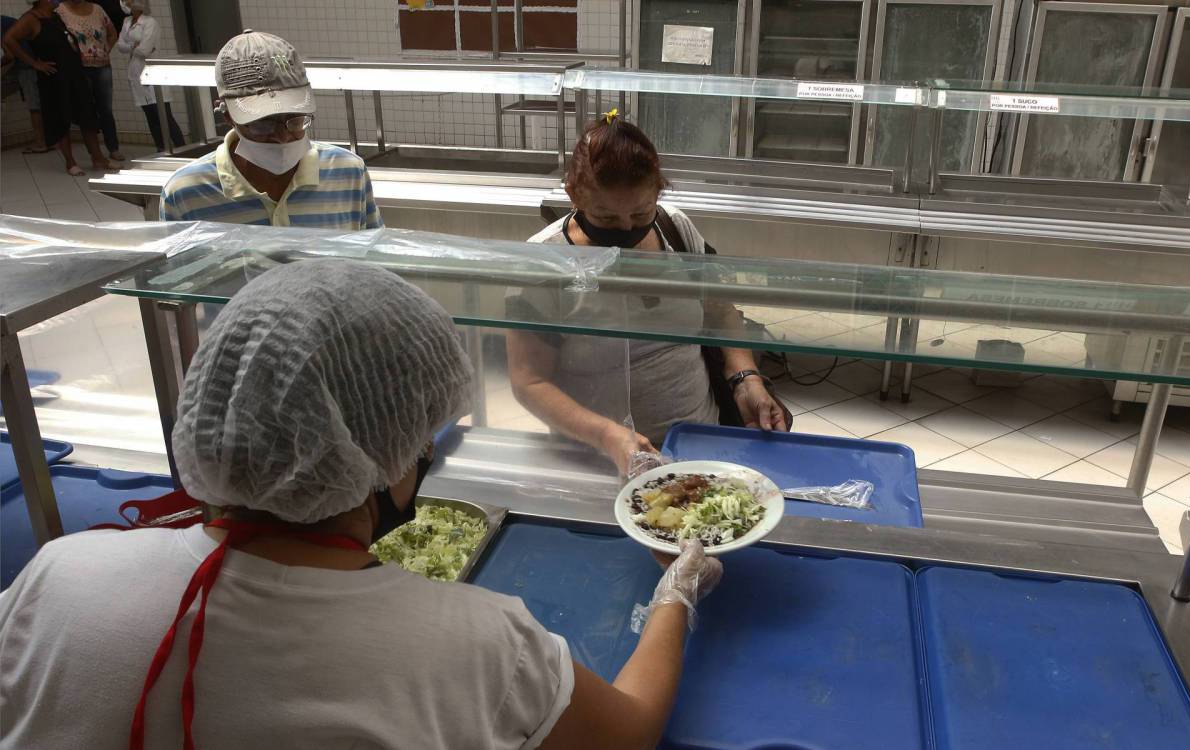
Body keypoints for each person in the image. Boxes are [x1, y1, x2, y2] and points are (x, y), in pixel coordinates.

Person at [0, 260, 723, 749]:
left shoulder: (58, 575)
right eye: (422, 435)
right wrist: (677, 591)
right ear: (384, 453)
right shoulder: (475, 645)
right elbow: (627, 731)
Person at [507, 114, 789, 473]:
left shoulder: (676, 228)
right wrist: (608, 436)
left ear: (658, 191)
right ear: (573, 193)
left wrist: (745, 378)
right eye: (607, 218)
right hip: (598, 460)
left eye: (641, 214)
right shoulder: (544, 262)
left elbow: (720, 312)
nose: (627, 228)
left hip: (699, 443)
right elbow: (529, 381)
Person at [160, 30, 381, 229]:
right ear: (228, 116)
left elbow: (372, 254)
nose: (282, 137)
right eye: (262, 124)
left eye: (295, 120)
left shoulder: (348, 173)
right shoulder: (186, 194)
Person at [2, 0, 113, 175]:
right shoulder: (31, 19)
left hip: (74, 72)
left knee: (87, 114)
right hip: (53, 77)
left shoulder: (55, 16)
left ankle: (98, 158)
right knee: (60, 118)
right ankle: (70, 162)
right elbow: (9, 39)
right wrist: (34, 63)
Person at [55, 0, 123, 162]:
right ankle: (94, 152)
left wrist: (105, 50)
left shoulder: (98, 9)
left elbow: (112, 33)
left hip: (102, 66)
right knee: (86, 109)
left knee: (105, 109)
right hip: (79, 69)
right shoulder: (60, 12)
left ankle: (113, 148)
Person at [115, 0, 183, 152]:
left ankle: (182, 147)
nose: (125, 3)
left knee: (164, 115)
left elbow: (145, 50)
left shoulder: (150, 22)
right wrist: (133, 45)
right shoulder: (127, 22)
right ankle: (161, 148)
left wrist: (132, 46)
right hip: (136, 73)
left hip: (152, 72)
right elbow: (120, 46)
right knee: (150, 116)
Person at [1, 5, 50, 154]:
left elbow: (9, 56)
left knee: (34, 104)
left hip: (26, 63)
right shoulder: (5, 21)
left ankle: (41, 143)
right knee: (37, 103)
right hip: (32, 59)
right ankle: (48, 140)